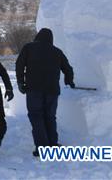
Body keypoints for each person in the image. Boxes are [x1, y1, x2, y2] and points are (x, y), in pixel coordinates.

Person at [15, 27, 75, 157]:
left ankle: (42, 147)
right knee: (50, 116)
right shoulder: (57, 51)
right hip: (52, 90)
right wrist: (69, 81)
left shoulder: (28, 48)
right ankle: (53, 144)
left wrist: (20, 82)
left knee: (36, 116)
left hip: (34, 89)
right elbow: (68, 69)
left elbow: (19, 64)